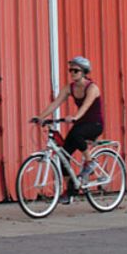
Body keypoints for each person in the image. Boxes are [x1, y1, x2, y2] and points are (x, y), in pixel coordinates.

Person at [31, 56, 105, 203]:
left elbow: (86, 106)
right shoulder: (69, 88)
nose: (72, 73)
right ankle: (70, 190)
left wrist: (76, 116)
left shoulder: (92, 88)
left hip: (94, 124)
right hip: (80, 124)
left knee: (77, 134)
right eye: (70, 70)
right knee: (63, 155)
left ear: (84, 72)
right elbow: (56, 103)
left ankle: (90, 162)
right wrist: (40, 117)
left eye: (76, 70)